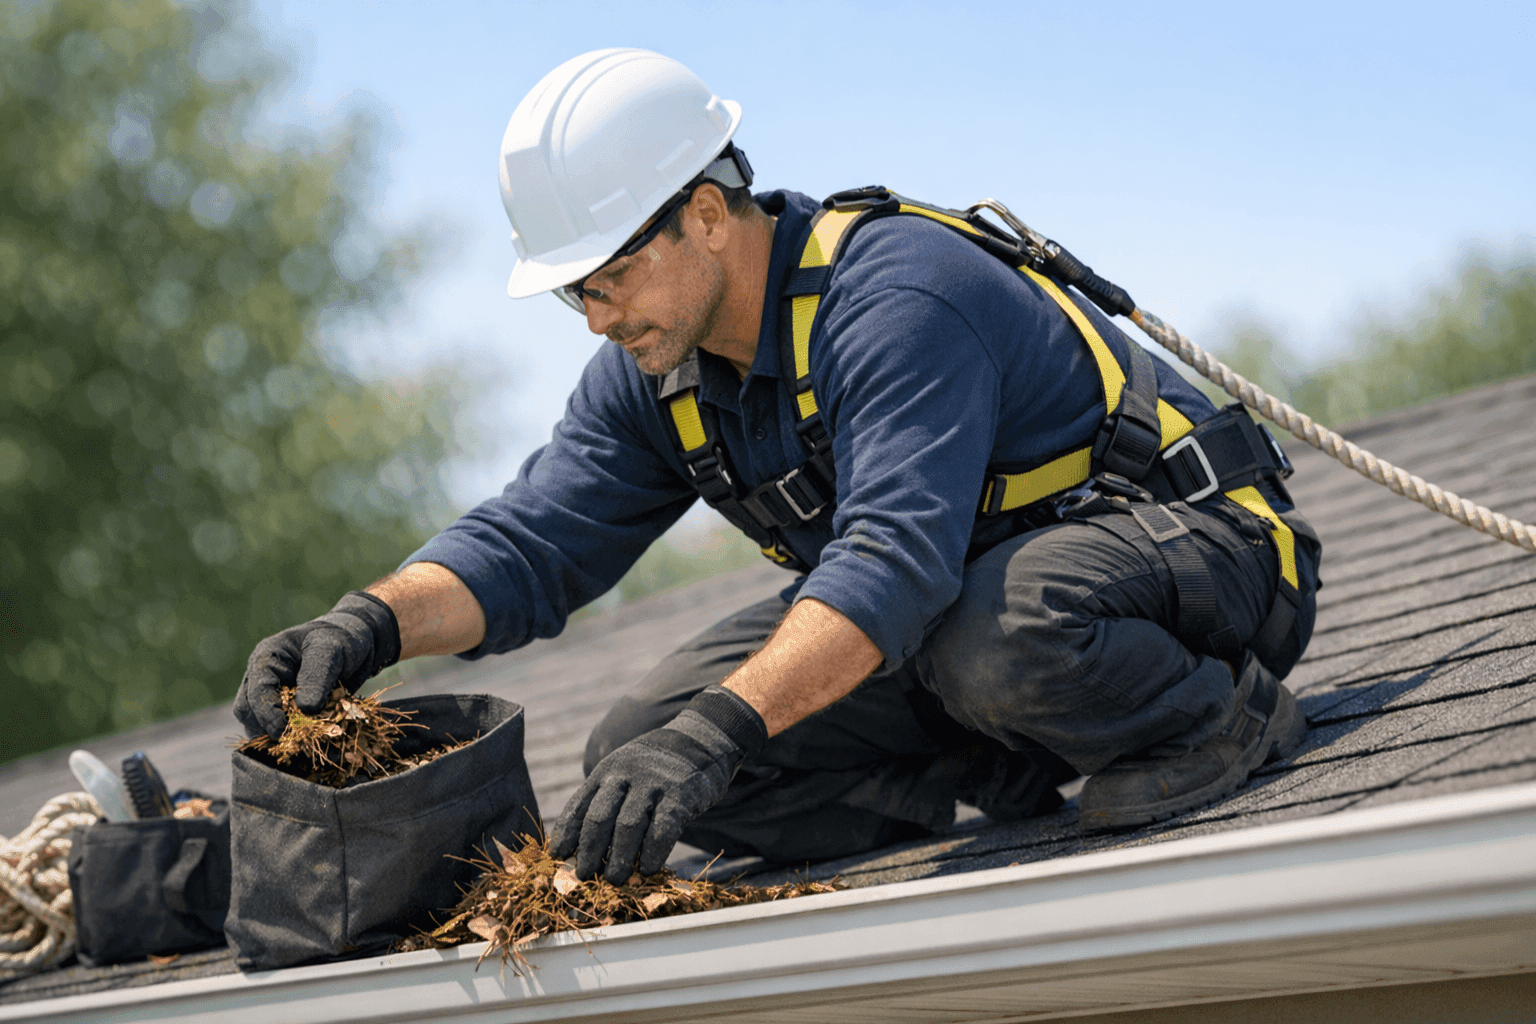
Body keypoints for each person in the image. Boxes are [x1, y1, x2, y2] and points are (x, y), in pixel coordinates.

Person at [234, 49, 1321, 884]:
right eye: (575, 294)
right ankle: (990, 767)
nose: (594, 318)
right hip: (962, 613)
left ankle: (1220, 715)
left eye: (606, 278)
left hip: (1199, 555)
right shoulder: (659, 366)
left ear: (706, 216)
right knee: (641, 749)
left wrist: (724, 726)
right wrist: (367, 623)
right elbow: (532, 542)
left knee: (992, 636)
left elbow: (892, 562)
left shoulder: (895, 300)